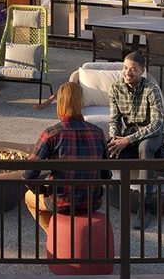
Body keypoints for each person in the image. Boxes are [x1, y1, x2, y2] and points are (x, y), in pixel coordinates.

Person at [21, 81, 109, 232]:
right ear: (80, 103)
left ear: (60, 103)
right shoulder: (98, 132)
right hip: (92, 201)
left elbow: (28, 175)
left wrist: (44, 190)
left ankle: (53, 235)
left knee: (29, 197)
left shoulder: (51, 134)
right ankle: (59, 237)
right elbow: (106, 174)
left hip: (60, 201)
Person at [107, 51, 164, 177]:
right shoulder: (115, 88)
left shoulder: (151, 89)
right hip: (130, 132)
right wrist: (114, 137)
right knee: (106, 148)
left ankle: (146, 188)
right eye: (125, 68)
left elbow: (157, 124)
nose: (127, 73)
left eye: (133, 69)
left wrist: (128, 139)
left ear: (142, 71)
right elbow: (115, 119)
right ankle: (109, 190)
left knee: (145, 148)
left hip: (154, 134)